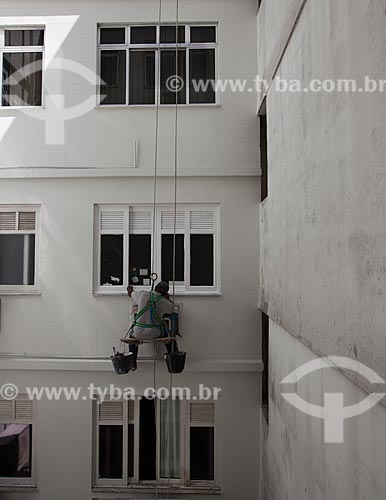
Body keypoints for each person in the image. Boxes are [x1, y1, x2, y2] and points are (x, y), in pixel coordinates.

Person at [127, 281, 179, 370]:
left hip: (138, 333)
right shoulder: (163, 301)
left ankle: (132, 361)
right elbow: (171, 309)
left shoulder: (142, 294)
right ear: (165, 292)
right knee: (169, 337)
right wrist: (167, 298)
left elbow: (130, 294)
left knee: (131, 337)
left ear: (155, 288)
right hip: (155, 333)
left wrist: (129, 289)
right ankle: (174, 360)